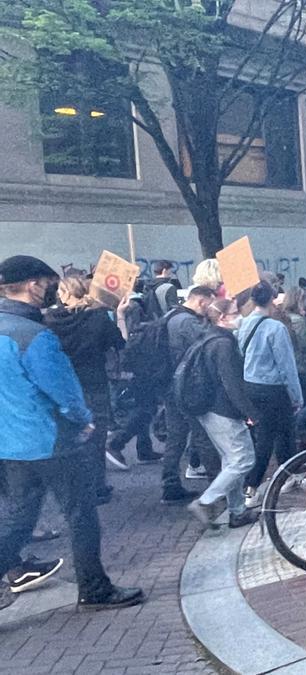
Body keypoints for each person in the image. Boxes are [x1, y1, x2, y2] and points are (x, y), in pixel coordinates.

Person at [0, 255, 144, 612]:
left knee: (20, 519)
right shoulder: (34, 335)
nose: (51, 288)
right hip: (52, 440)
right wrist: (83, 420)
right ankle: (95, 588)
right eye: (47, 282)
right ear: (33, 285)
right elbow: (63, 389)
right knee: (81, 514)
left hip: (12, 441)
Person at [43, 273, 127, 505]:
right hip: (94, 383)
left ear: (63, 293)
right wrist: (119, 315)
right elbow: (119, 343)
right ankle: (97, 487)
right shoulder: (98, 317)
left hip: (65, 384)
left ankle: (74, 487)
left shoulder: (50, 320)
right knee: (96, 438)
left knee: (68, 437)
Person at [186, 299, 261, 529]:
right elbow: (232, 383)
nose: (239, 316)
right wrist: (249, 411)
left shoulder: (208, 338)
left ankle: (237, 511)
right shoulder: (223, 344)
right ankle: (206, 501)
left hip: (209, 409)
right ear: (222, 318)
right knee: (243, 459)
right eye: (235, 313)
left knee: (231, 460)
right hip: (223, 410)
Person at [236, 281, 303, 508]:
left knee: (268, 434)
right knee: (279, 435)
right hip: (273, 388)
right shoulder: (276, 328)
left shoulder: (242, 325)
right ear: (272, 300)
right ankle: (253, 486)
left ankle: (286, 476)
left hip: (250, 385)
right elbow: (287, 365)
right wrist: (296, 395)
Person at [162, 285, 219, 502]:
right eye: (209, 303)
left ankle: (170, 484)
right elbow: (208, 343)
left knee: (175, 435)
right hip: (186, 387)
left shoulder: (171, 315)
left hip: (170, 385)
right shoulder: (188, 322)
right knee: (201, 434)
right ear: (202, 301)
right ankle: (218, 485)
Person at [105, 280, 163, 469]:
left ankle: (143, 448)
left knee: (142, 406)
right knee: (144, 409)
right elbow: (130, 337)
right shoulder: (133, 307)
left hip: (126, 364)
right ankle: (117, 442)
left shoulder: (114, 307)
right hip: (137, 363)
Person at [280, 287, 306, 453]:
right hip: (302, 366)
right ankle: (297, 427)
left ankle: (302, 438)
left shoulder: (282, 318)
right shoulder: (298, 320)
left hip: (290, 367)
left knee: (297, 402)